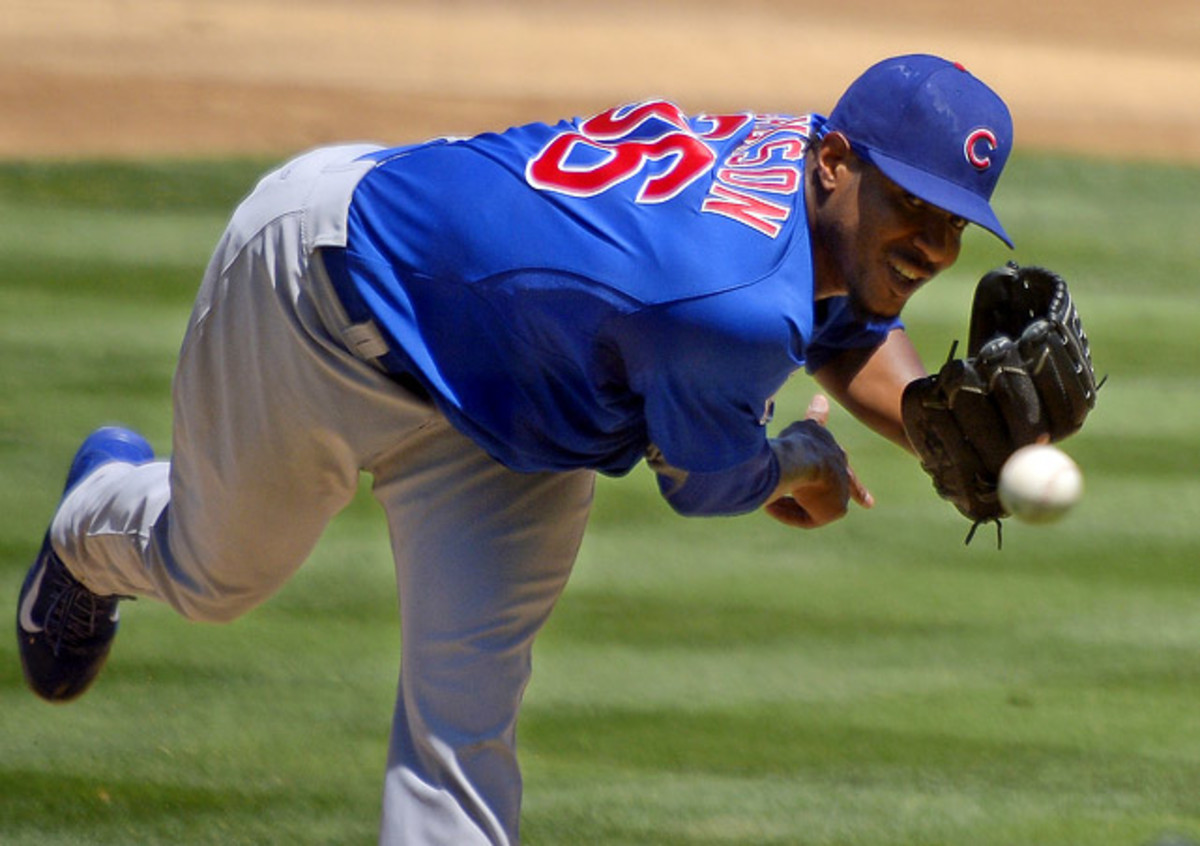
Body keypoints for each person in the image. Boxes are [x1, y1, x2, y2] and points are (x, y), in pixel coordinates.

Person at [18, 54, 1013, 844]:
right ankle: (93, 522)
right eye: (911, 205)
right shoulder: (732, 304)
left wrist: (926, 419)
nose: (933, 243)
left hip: (506, 406)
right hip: (321, 304)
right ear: (837, 161)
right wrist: (801, 458)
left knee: (463, 731)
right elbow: (709, 483)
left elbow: (846, 306)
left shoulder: (799, 162)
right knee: (214, 576)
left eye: (955, 222)